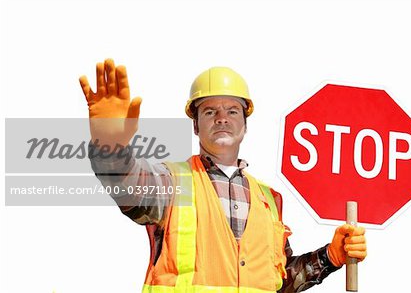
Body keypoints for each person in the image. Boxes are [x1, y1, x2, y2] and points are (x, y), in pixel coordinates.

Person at [79, 59, 367, 293]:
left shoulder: (269, 200)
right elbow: (128, 185)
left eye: (232, 110)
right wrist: (110, 146)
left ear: (245, 124)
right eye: (209, 111)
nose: (221, 117)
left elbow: (277, 283)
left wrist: (330, 256)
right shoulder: (171, 181)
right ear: (195, 126)